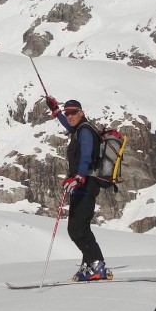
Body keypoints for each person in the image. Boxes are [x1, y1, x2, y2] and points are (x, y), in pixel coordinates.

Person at [45, 96, 108, 282]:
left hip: (86, 183)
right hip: (82, 183)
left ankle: (97, 264)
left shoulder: (86, 132)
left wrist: (79, 176)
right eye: (68, 113)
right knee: (78, 227)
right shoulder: (79, 129)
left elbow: (86, 156)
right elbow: (69, 126)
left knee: (77, 228)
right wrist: (56, 112)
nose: (70, 116)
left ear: (82, 113)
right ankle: (90, 264)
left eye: (73, 113)